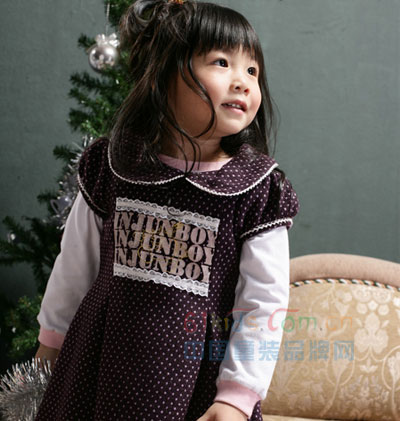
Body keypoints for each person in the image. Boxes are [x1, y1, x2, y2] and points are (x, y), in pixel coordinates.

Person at [35, 0, 299, 420]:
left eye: (252, 70)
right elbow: (74, 266)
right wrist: (51, 341)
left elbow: (263, 303)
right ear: (165, 72)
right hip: (98, 368)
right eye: (221, 62)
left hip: (194, 385)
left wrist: (237, 395)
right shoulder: (114, 165)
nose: (243, 82)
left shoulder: (255, 189)